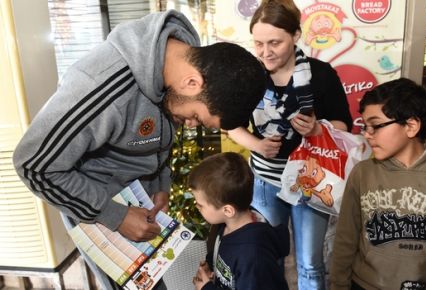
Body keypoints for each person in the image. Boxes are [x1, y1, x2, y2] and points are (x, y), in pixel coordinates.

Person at [12, 10, 266, 290]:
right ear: (192, 83)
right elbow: (33, 165)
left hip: (139, 202)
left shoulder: (181, 66)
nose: (190, 125)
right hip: (99, 209)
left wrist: (161, 183)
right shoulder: (101, 86)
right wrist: (116, 216)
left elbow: (159, 134)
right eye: (196, 116)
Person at [226, 0, 352, 289]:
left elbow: (345, 124)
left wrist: (319, 129)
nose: (265, 52)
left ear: (295, 36)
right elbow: (231, 125)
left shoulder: (321, 74)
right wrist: (257, 145)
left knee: (310, 262)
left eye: (275, 43)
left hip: (311, 179)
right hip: (265, 180)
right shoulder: (247, 75)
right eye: (258, 43)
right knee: (267, 256)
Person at [330, 78, 426, 290]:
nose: (366, 134)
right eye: (365, 126)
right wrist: (338, 284)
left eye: (376, 126)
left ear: (410, 126)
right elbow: (346, 238)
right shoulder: (362, 173)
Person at [188, 152, 290, 290]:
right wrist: (211, 264)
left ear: (228, 210)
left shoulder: (253, 257)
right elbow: (224, 251)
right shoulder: (228, 224)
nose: (196, 206)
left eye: (200, 205)